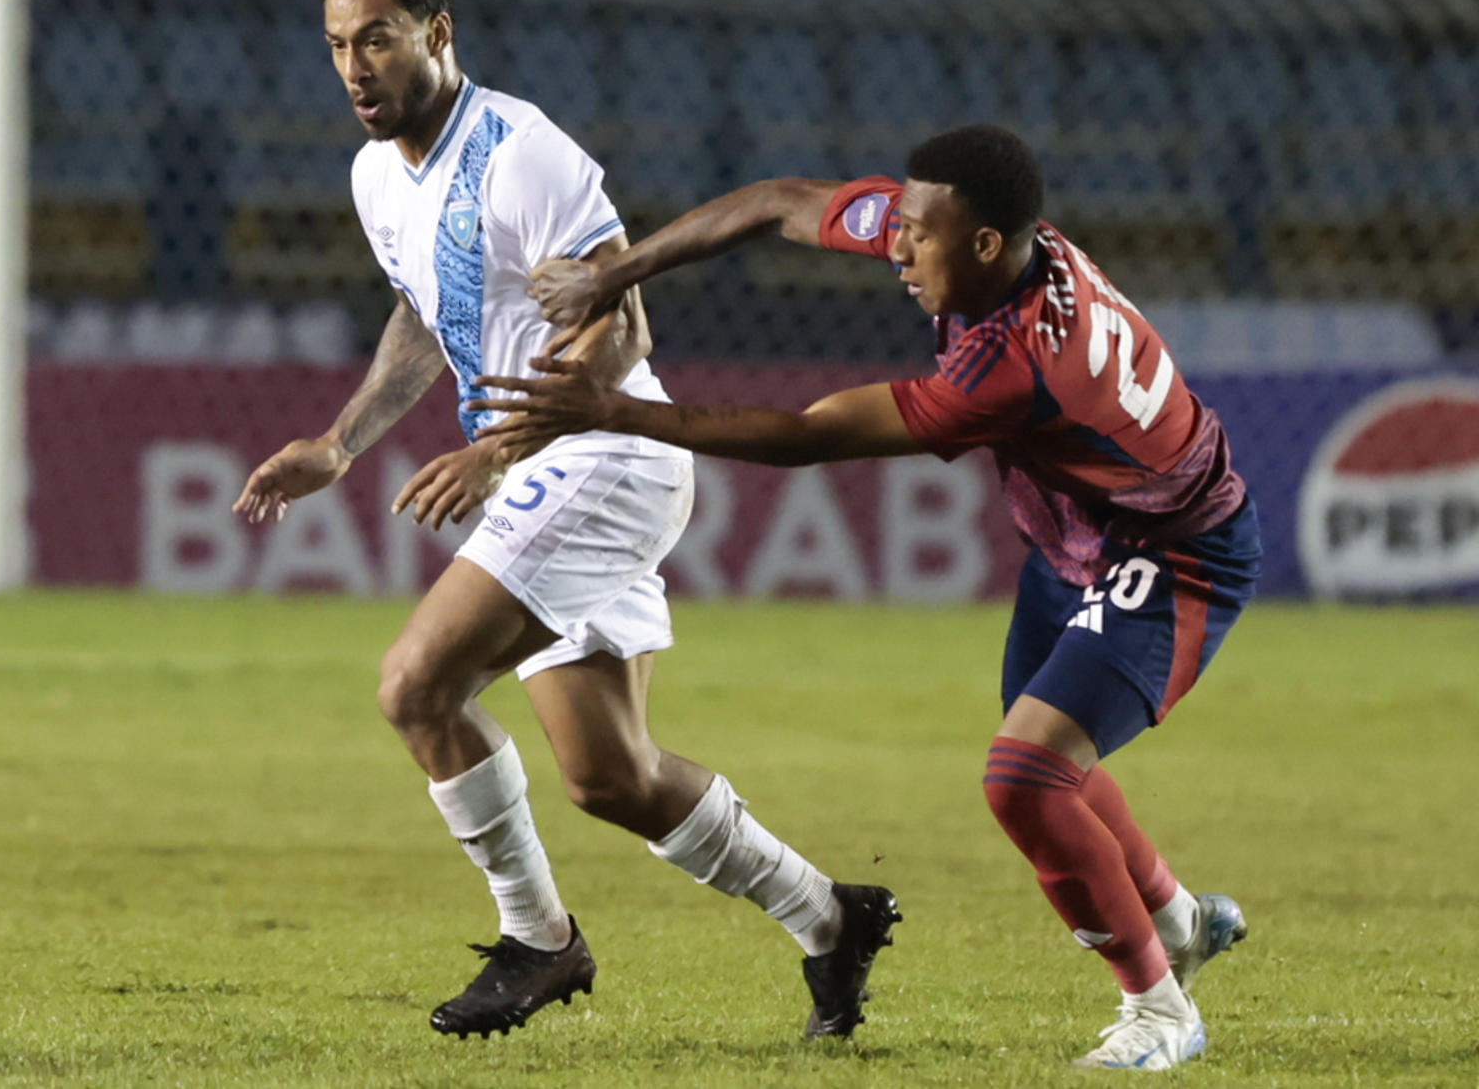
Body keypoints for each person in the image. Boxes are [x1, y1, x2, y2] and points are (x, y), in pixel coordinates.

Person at [232, 0, 900, 1042]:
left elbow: (619, 317)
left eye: (379, 39)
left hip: (601, 455)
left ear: (437, 34)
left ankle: (539, 940)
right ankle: (832, 915)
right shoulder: (373, 173)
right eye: (339, 45)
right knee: (610, 773)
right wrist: (341, 441)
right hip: (544, 473)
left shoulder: (521, 150)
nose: (356, 66)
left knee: (416, 684)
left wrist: (496, 448)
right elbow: (424, 307)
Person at [475, 125, 1257, 1071]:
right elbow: (774, 202)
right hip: (1079, 537)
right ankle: (1174, 918)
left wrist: (614, 410)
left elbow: (807, 433)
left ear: (980, 245)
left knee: (1026, 774)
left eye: (917, 235)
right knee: (1056, 756)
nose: (896, 244)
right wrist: (613, 275)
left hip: (1175, 551)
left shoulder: (1021, 363)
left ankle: (1160, 1007)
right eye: (899, 221)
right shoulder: (983, 234)